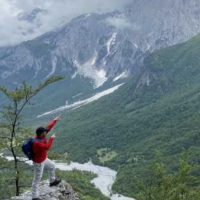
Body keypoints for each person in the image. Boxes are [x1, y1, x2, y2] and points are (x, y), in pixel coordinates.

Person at [32, 115, 61, 200]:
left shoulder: (42, 135)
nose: (46, 132)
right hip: (39, 162)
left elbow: (48, 127)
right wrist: (51, 139)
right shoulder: (36, 142)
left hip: (44, 158)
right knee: (37, 179)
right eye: (44, 132)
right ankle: (34, 196)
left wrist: (54, 120)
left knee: (52, 166)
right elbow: (47, 147)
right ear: (41, 134)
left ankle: (52, 181)